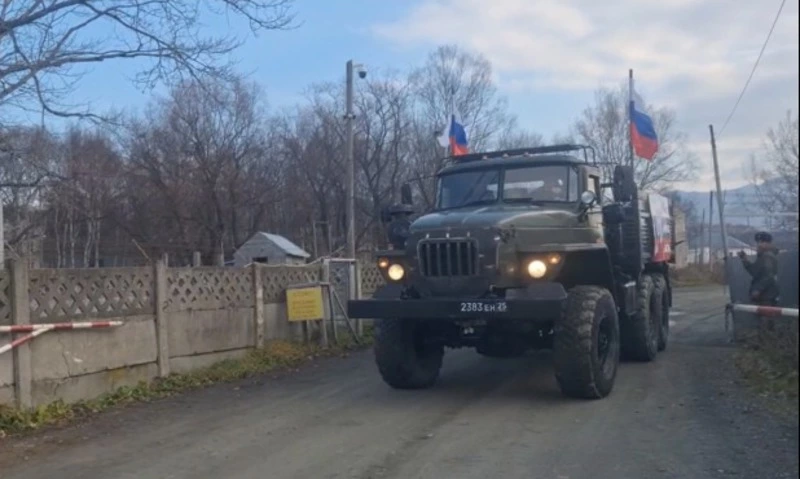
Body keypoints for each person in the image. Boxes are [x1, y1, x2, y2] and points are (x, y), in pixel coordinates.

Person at [737, 231, 780, 306]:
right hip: (765, 295)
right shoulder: (763, 256)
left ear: (768, 243)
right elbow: (754, 272)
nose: (759, 245)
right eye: (758, 242)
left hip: (767, 296)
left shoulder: (767, 256)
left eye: (762, 242)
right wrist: (744, 259)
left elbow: (769, 276)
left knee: (766, 312)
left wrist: (758, 290)